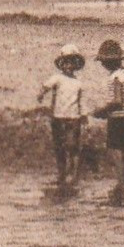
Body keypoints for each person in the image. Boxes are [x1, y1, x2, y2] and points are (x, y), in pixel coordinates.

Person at [37, 43, 86, 189]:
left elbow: (81, 101)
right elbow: (46, 86)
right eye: (65, 62)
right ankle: (62, 174)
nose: (68, 65)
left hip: (73, 118)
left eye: (71, 62)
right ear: (61, 64)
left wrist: (84, 115)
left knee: (72, 146)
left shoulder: (78, 82)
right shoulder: (57, 78)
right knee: (59, 147)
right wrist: (41, 94)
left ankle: (74, 174)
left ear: (76, 65)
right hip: (58, 117)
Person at [91, 39, 124, 201]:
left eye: (103, 62)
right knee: (122, 151)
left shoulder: (115, 77)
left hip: (118, 119)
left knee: (115, 151)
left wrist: (101, 111)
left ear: (109, 61)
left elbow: (117, 101)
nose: (102, 65)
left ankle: (121, 184)